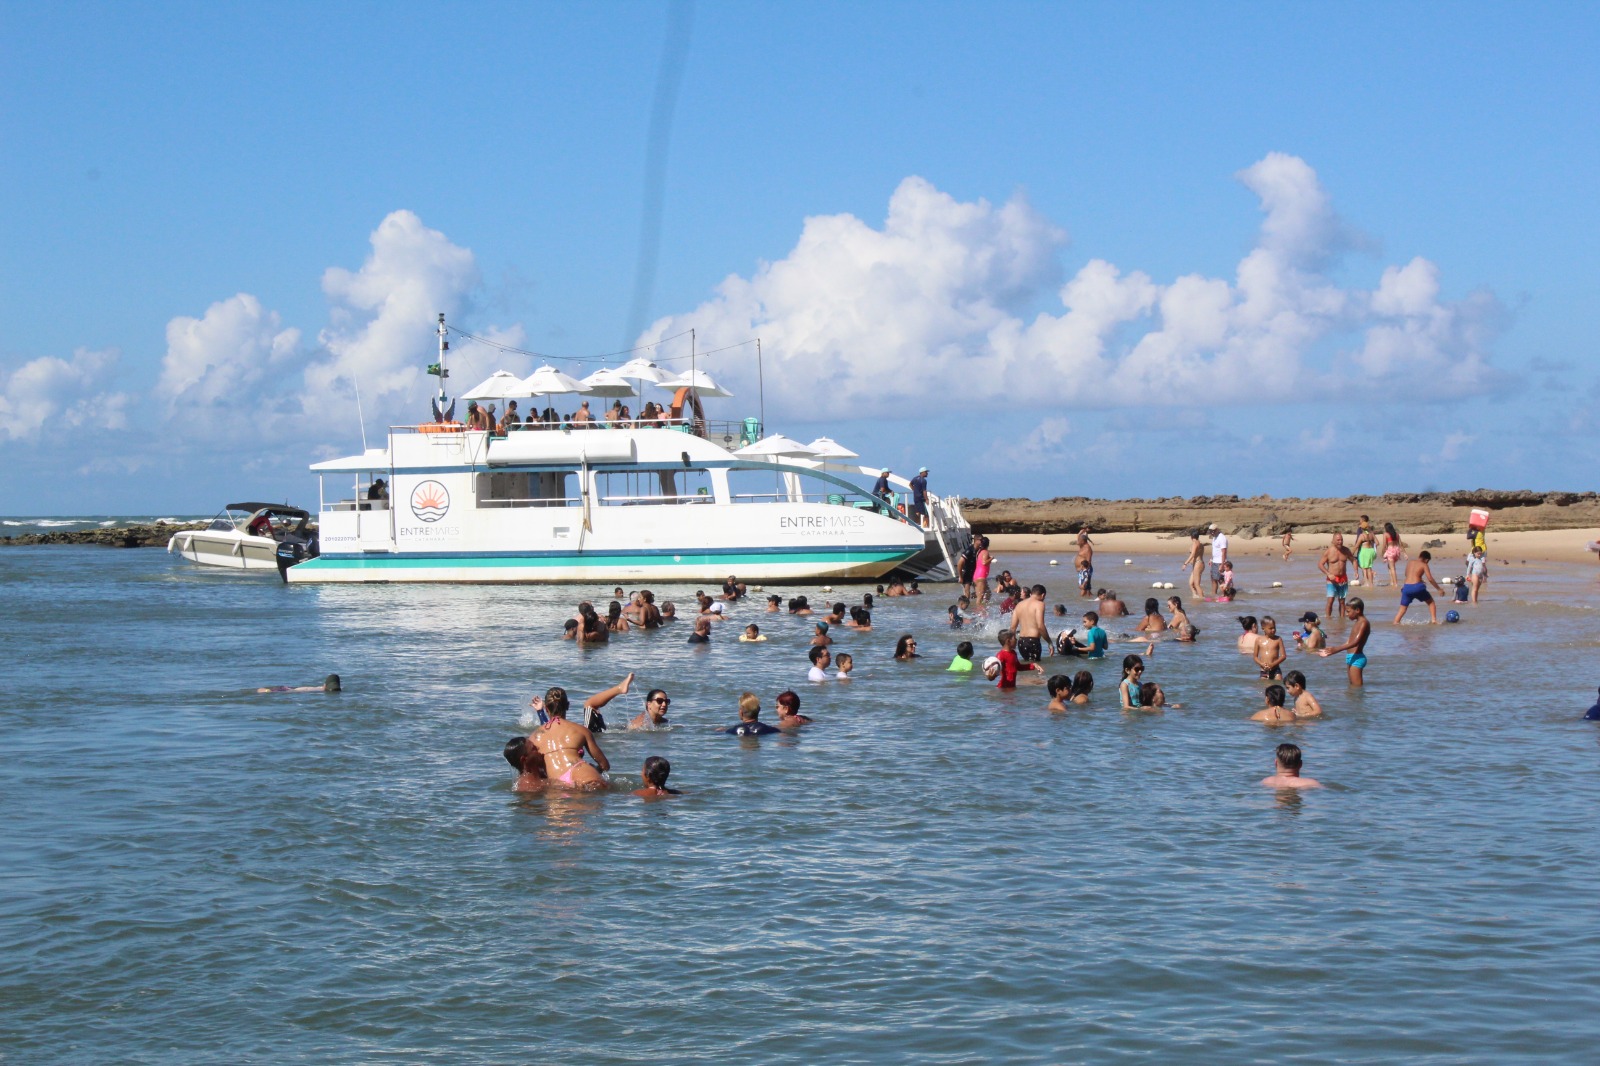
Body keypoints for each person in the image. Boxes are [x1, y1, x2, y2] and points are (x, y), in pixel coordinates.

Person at [529, 684, 614, 788]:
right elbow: (604, 765)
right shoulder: (582, 730)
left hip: (557, 783)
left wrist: (540, 711)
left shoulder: (533, 737)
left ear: (546, 709)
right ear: (568, 705)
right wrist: (595, 769)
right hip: (583, 774)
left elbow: (533, 772)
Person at [1319, 596, 1371, 686]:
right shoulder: (1357, 622)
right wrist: (1331, 650)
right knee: (1352, 688)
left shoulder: (1363, 623)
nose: (1346, 614)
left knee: (1356, 689)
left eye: (1348, 611)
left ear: (1357, 610)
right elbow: (1349, 641)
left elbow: (1356, 642)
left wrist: (1337, 649)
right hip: (1351, 657)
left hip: (1357, 658)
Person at [1393, 550, 1446, 625]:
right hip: (1417, 587)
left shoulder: (1410, 562)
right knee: (1431, 602)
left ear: (1419, 556)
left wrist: (1419, 578)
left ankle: (1396, 622)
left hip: (1406, 587)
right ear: (1427, 560)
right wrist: (1439, 589)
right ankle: (1434, 620)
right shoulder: (1424, 565)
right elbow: (1430, 579)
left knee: (1402, 609)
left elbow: (1406, 574)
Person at [1319, 533, 1357, 620]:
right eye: (1338, 540)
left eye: (1341, 540)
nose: (1340, 542)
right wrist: (1328, 574)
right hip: (1331, 580)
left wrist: (1356, 571)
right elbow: (1320, 564)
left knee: (1342, 602)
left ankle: (1342, 619)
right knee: (1330, 600)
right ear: (1333, 541)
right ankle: (1328, 619)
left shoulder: (1346, 550)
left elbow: (1353, 560)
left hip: (1343, 579)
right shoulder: (1329, 551)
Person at [1010, 584, 1051, 662]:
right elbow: (1040, 626)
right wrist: (1049, 642)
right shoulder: (1040, 604)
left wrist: (1012, 642)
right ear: (1043, 595)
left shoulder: (1019, 605)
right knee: (1035, 669)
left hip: (1021, 642)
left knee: (1027, 667)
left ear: (1031, 593)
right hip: (1033, 642)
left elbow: (1012, 627)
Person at [1254, 616, 1286, 681]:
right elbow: (1255, 657)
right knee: (1264, 687)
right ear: (1263, 629)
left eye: (1274, 627)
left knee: (1278, 684)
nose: (1273, 630)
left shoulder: (1278, 639)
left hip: (1276, 669)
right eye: (1270, 628)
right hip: (1264, 669)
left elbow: (1283, 656)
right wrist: (1261, 664)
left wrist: (1272, 664)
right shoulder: (1258, 640)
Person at [1354, 515, 1378, 588]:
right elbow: (1377, 543)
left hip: (1363, 550)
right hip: (1371, 551)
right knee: (1369, 567)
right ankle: (1371, 584)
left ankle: (1366, 583)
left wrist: (1351, 552)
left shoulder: (1361, 533)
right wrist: (1372, 546)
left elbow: (1357, 543)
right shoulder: (1371, 533)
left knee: (1364, 568)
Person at [257, 673, 341, 694]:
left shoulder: (315, 690)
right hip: (292, 690)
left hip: (289, 690)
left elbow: (293, 691)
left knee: (260, 690)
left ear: (325, 685)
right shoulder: (339, 690)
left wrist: (268, 691)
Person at [1181, 531, 1205, 599]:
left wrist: (1185, 563)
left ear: (1191, 537)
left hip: (1198, 564)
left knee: (1197, 584)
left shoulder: (1195, 543)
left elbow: (1193, 554)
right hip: (1199, 564)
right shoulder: (1200, 544)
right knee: (1191, 583)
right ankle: (1196, 596)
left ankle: (1202, 599)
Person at [1381, 522, 1406, 587]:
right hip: (1396, 551)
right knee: (1390, 566)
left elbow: (1384, 545)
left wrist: (1382, 553)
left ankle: (1395, 583)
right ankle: (1392, 581)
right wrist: (1404, 553)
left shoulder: (1386, 534)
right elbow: (1400, 544)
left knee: (1392, 568)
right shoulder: (1396, 534)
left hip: (1390, 551)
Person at [973, 535, 995, 607]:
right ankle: (979, 612)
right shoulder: (985, 552)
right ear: (988, 544)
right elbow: (984, 562)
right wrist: (991, 558)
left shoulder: (979, 551)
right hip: (981, 577)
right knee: (980, 598)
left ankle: (983, 609)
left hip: (978, 576)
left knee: (988, 594)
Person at [1209, 523, 1229, 598]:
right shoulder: (1214, 537)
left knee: (1221, 581)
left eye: (1213, 531)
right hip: (1214, 562)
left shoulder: (1222, 538)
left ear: (1217, 529)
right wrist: (1211, 559)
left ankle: (1226, 595)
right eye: (1210, 531)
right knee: (1213, 579)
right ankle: (1213, 595)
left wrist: (1222, 564)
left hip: (1220, 562)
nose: (1212, 532)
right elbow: (1215, 550)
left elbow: (1224, 552)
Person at [1075, 529, 1095, 598]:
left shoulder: (1087, 549)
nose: (1077, 542)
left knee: (1083, 586)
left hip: (1085, 569)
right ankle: (1088, 598)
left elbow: (1089, 561)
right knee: (1085, 587)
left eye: (1079, 540)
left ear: (1083, 541)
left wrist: (1083, 569)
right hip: (1082, 570)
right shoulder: (1082, 546)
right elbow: (1078, 536)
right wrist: (1081, 531)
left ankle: (1081, 600)